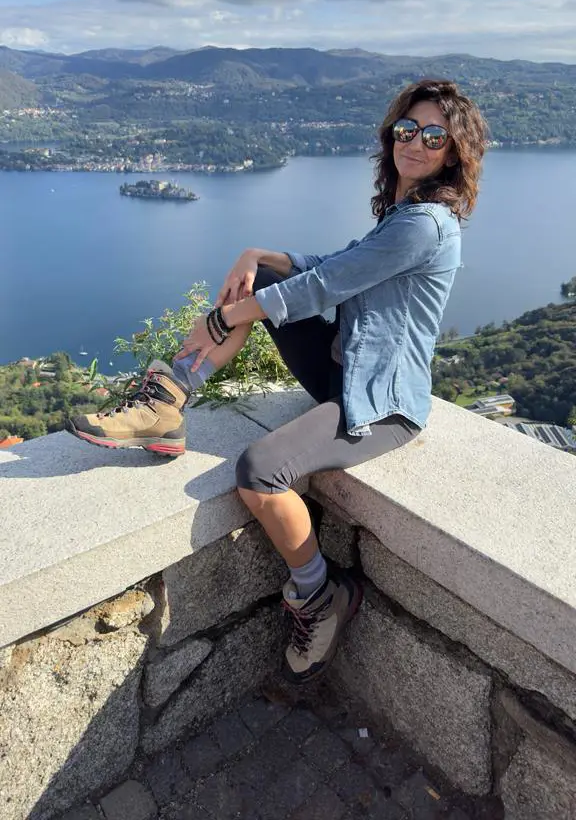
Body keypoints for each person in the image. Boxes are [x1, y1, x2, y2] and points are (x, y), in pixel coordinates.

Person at [67, 78, 487, 685]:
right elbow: (330, 266)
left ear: (453, 152)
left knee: (261, 471)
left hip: (382, 404)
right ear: (391, 135)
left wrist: (224, 316)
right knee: (266, 277)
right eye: (406, 129)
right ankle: (169, 397)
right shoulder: (401, 215)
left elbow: (323, 288)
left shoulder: (425, 225)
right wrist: (257, 254)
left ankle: (320, 595)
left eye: (433, 136)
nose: (414, 143)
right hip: (344, 369)